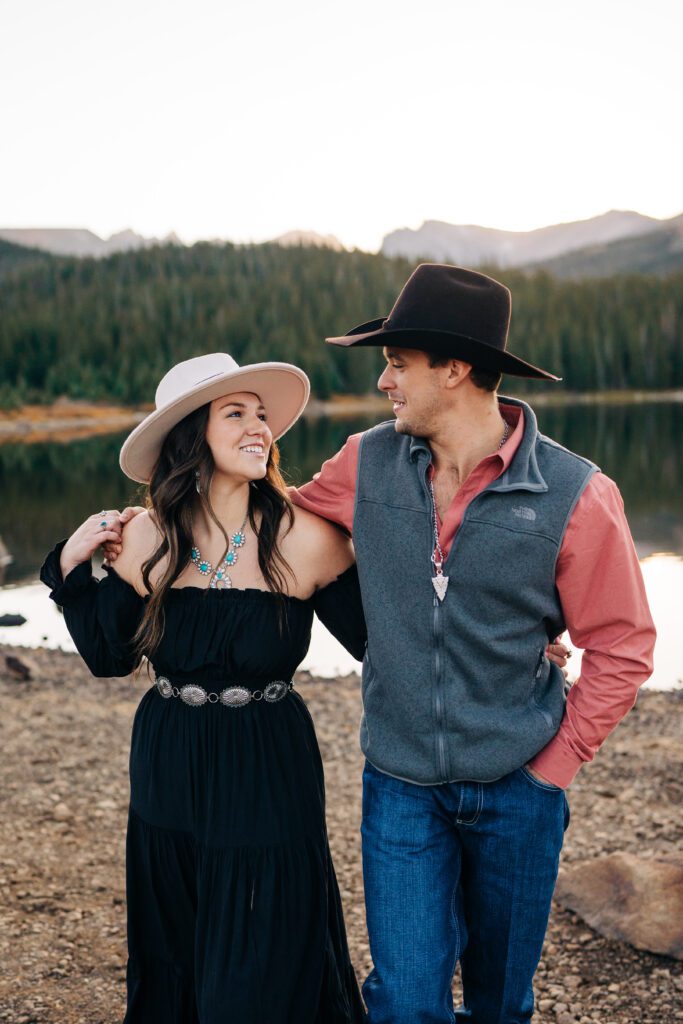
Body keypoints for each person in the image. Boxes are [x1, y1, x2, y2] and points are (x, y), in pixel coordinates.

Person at [286, 264, 657, 1024]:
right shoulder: (364, 462)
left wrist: (551, 770)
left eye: (396, 364)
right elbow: (274, 526)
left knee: (499, 1004)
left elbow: (621, 647)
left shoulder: (576, 494)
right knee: (407, 1004)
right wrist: (151, 522)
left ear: (452, 370)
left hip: (518, 790)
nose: (384, 382)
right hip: (399, 786)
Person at [40, 352, 368, 1024]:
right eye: (235, 413)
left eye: (262, 415)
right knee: (175, 926)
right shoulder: (143, 536)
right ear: (191, 435)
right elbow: (109, 658)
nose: (260, 429)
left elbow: (384, 646)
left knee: (269, 923)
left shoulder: (307, 537)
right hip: (170, 750)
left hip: (269, 755)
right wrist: (69, 567)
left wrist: (503, 642)